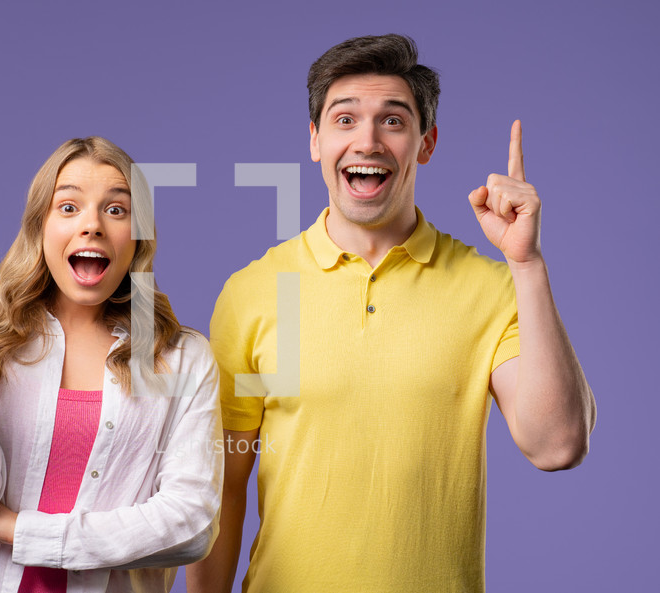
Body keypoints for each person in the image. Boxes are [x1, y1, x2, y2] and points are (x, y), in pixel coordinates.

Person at [186, 34, 596, 592]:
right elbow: (225, 489)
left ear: (426, 144)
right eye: (345, 119)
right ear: (314, 140)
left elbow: (557, 445)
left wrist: (527, 265)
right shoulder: (251, 293)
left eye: (394, 122)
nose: (368, 141)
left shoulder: (491, 287)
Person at [0, 136, 223, 593]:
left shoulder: (183, 359)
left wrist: (16, 529)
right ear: (39, 227)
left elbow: (190, 526)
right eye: (68, 207)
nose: (93, 226)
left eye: (116, 210)